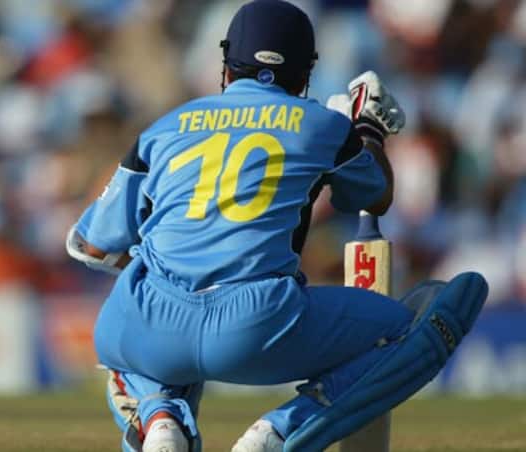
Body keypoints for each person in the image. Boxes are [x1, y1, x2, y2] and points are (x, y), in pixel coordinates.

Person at [65, 1, 489, 451]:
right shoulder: (321, 125)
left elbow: (90, 247)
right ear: (304, 71)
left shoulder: (164, 126)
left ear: (227, 65)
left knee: (127, 328)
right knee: (409, 326)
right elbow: (373, 195)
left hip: (147, 323)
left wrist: (175, 263)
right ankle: (280, 430)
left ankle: (159, 417)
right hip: (258, 325)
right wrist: (368, 130)